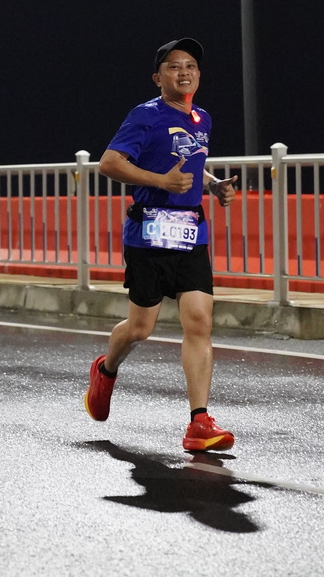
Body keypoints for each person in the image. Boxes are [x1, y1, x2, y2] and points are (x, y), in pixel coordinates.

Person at [84, 37, 238, 451]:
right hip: (149, 232)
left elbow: (190, 162)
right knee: (140, 328)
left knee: (199, 322)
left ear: (199, 75)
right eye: (173, 66)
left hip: (190, 232)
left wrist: (213, 184)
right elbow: (109, 163)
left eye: (190, 66)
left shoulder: (202, 119)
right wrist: (160, 182)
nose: (183, 72)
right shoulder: (145, 115)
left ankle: (199, 422)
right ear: (158, 78)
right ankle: (106, 369)